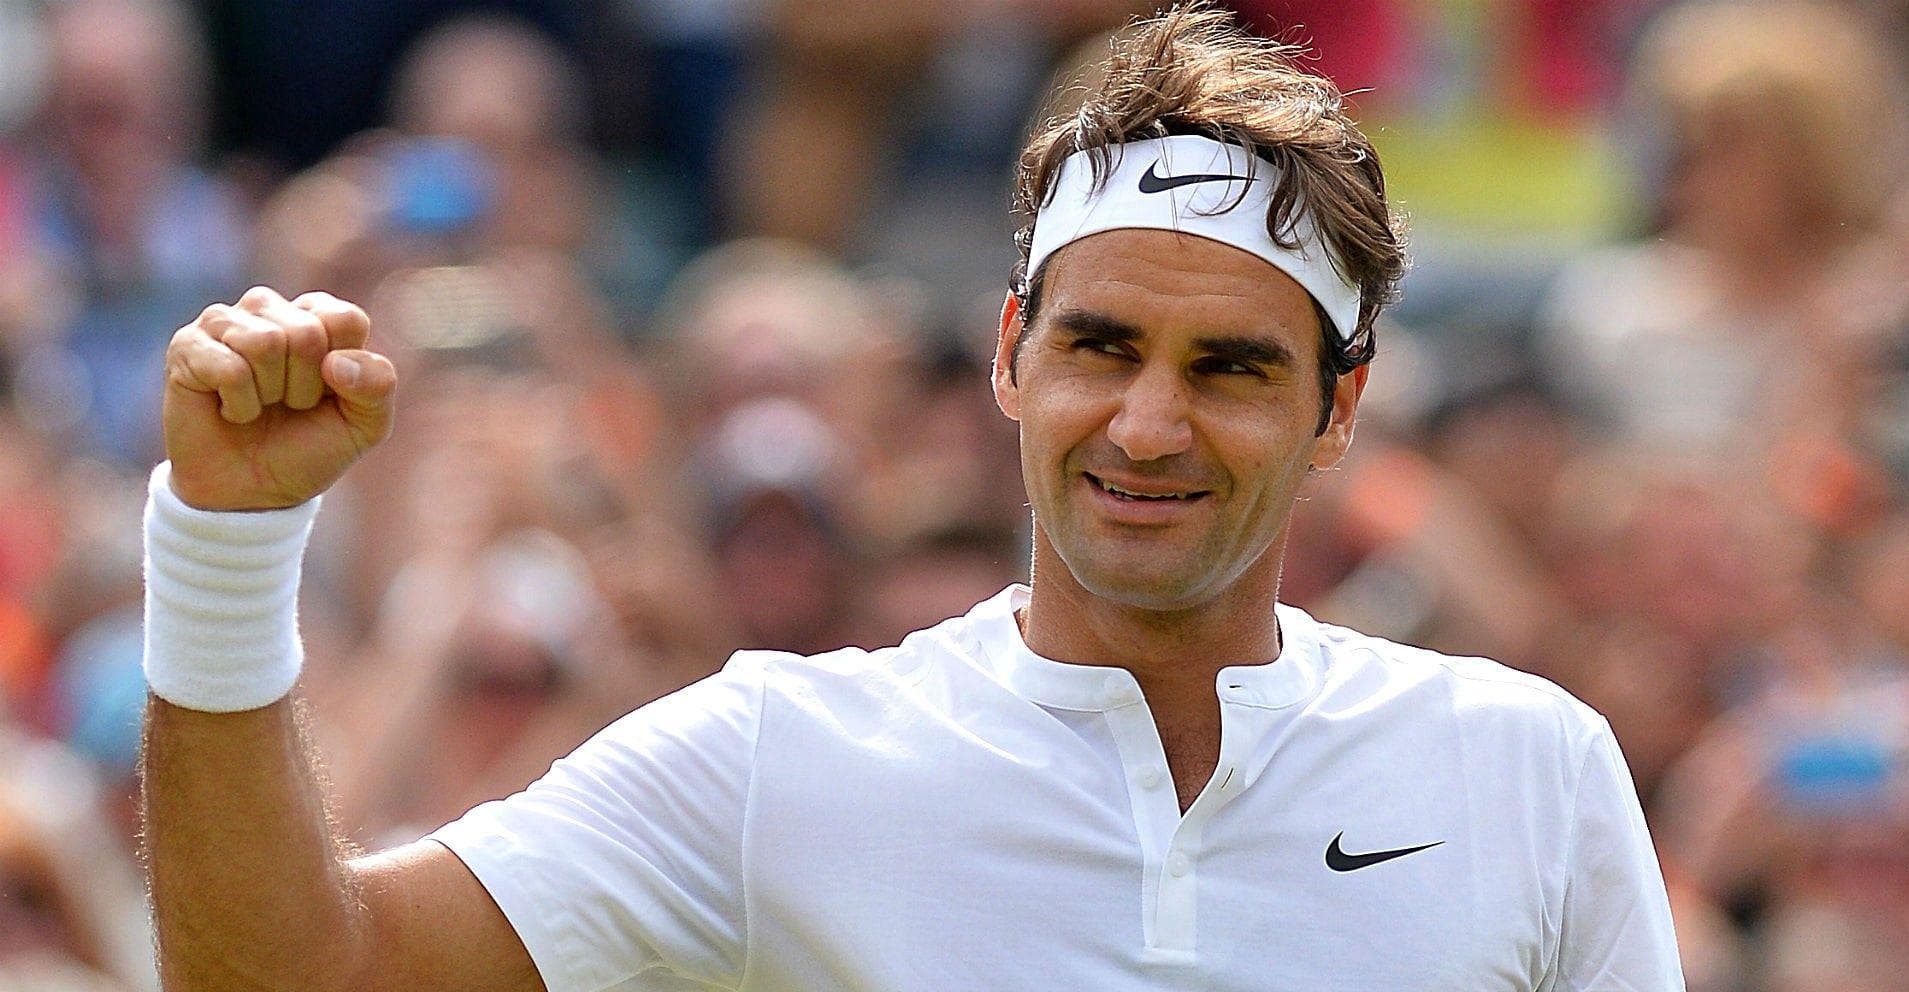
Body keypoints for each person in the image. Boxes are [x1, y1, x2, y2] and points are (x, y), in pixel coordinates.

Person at [138, 6, 1684, 990]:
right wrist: (222, 551)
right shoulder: (778, 756)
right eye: (1099, 347)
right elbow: (291, 973)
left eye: (1226, 368)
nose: (1147, 423)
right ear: (1011, 353)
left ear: (1336, 408)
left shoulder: (1524, 768)